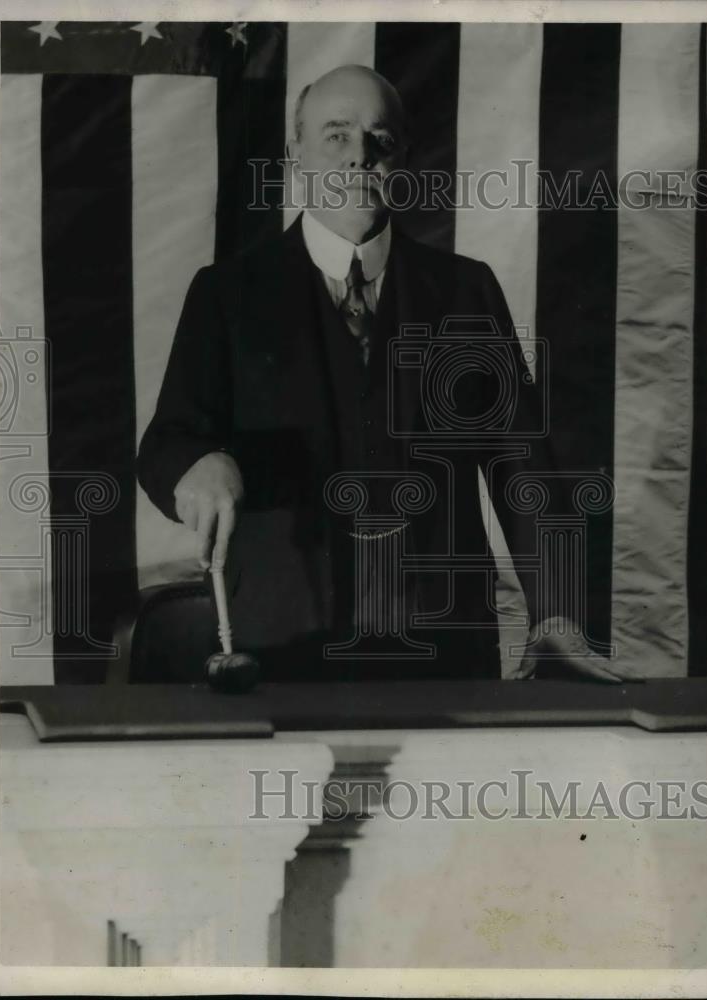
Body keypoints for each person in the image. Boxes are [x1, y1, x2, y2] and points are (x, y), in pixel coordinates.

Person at [138, 65, 634, 683]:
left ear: (405, 159)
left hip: (446, 650)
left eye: (380, 141)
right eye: (337, 136)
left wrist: (554, 616)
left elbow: (523, 470)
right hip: (281, 647)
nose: (359, 158)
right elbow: (166, 443)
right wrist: (196, 463)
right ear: (296, 153)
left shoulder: (465, 291)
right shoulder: (226, 294)